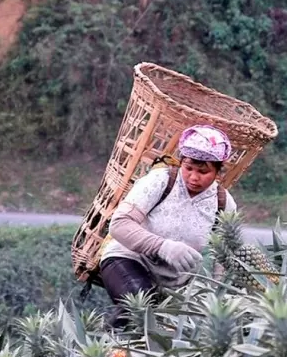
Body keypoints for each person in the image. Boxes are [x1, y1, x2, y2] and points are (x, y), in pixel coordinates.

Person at [99, 124, 236, 325]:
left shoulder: (224, 203)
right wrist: (163, 246)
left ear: (218, 172)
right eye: (188, 168)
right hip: (128, 259)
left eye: (203, 171)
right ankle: (109, 349)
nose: (193, 177)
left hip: (174, 284)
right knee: (140, 304)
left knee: (168, 331)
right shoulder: (160, 181)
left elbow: (222, 258)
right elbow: (119, 224)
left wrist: (216, 294)